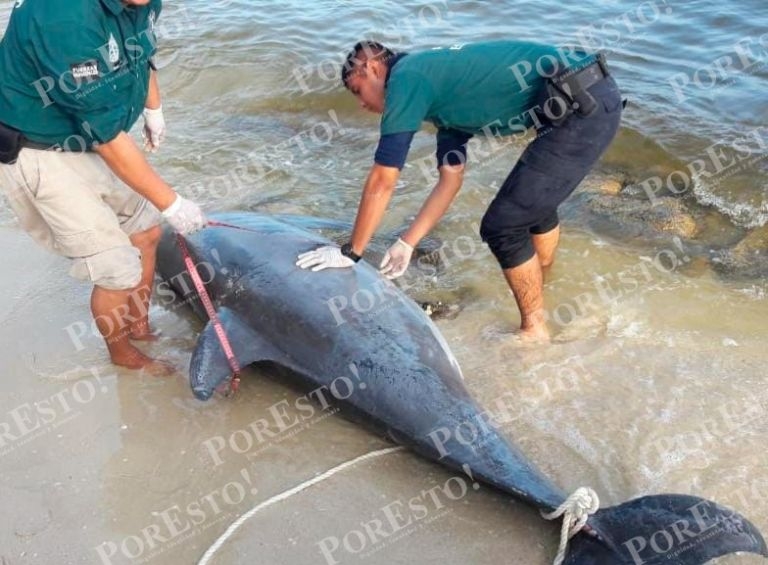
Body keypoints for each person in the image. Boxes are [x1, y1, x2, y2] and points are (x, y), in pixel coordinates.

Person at [297, 40, 623, 340]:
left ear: (372, 68)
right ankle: (542, 284)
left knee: (503, 225)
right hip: (582, 96)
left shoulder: (406, 78)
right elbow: (450, 181)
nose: (361, 105)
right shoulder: (443, 103)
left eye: (358, 91)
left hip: (582, 103)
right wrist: (406, 244)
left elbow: (383, 177)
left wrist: (351, 252)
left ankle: (534, 332)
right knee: (533, 207)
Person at [0, 0, 206, 371]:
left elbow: (142, 53)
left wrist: (153, 110)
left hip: (81, 133)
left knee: (145, 232)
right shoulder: (62, 16)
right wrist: (173, 203)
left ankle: (140, 327)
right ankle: (124, 355)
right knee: (116, 267)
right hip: (37, 148)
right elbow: (107, 137)